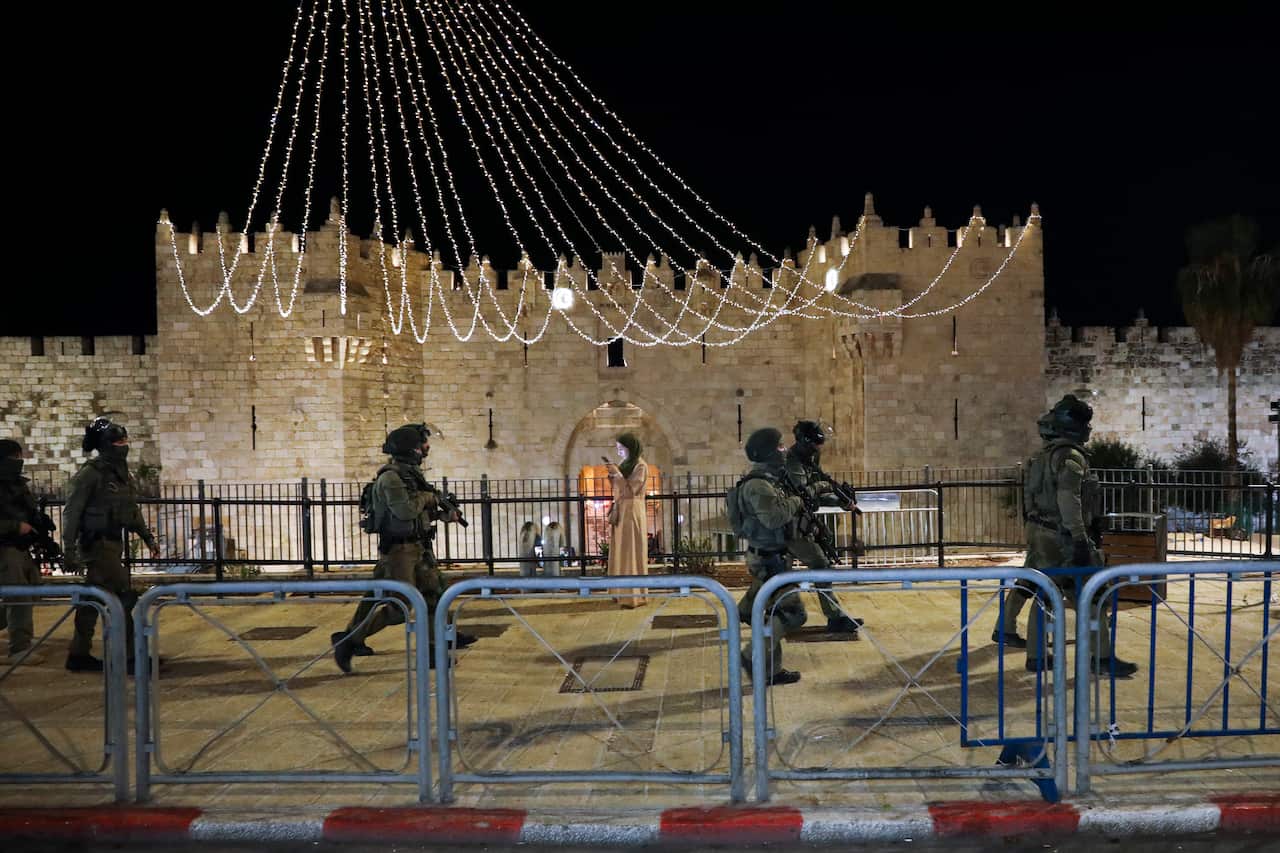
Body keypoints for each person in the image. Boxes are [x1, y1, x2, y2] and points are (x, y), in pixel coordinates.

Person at [995, 396, 1138, 677]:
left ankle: (1037, 655)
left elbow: (1029, 499)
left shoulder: (1042, 457)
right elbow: (1068, 500)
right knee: (1094, 593)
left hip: (1042, 531)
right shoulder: (1070, 457)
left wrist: (1037, 529)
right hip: (1063, 536)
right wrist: (1080, 538)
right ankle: (1101, 657)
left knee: (1044, 593)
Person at [334, 424, 474, 673]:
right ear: (410, 448)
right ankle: (349, 641)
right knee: (400, 607)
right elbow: (405, 510)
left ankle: (433, 652)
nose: (426, 448)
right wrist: (429, 498)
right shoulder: (390, 478)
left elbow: (419, 513)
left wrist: (444, 515)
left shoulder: (410, 475)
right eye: (422, 444)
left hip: (418, 547)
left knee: (433, 596)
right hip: (399, 552)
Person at [64, 418, 159, 674]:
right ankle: (131, 657)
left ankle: (78, 654)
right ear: (105, 444)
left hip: (113, 543)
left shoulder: (120, 473)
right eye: (118, 442)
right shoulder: (90, 474)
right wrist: (68, 549)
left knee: (91, 600)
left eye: (125, 440)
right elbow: (72, 511)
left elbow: (130, 509)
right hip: (98, 545)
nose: (123, 445)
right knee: (123, 597)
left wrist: (147, 537)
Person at [732, 428, 807, 685]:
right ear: (768, 452)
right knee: (794, 613)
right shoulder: (758, 485)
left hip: (771, 556)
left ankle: (772, 670)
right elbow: (773, 518)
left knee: (773, 613)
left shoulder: (768, 480)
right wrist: (796, 501)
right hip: (768, 560)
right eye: (779, 447)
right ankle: (749, 655)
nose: (784, 451)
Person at [786, 420, 864, 635]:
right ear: (806, 442)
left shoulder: (808, 460)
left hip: (797, 523)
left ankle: (762, 612)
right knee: (820, 566)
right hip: (788, 525)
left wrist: (841, 501)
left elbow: (815, 497)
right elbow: (804, 494)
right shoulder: (793, 464)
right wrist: (825, 487)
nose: (819, 448)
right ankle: (834, 617)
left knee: (779, 574)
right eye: (816, 444)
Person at [0, 440, 43, 665]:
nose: (19, 461)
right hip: (5, 548)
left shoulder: (17, 484)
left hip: (20, 546)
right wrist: (15, 526)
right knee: (19, 595)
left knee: (32, 590)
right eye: (14, 457)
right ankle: (19, 648)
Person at [605, 432, 648, 608]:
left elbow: (631, 491)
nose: (619, 452)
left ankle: (632, 596)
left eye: (621, 448)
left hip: (631, 512)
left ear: (630, 448)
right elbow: (619, 489)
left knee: (630, 551)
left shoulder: (640, 466)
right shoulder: (624, 464)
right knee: (620, 551)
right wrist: (613, 476)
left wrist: (617, 475)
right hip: (622, 511)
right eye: (618, 448)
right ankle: (619, 592)